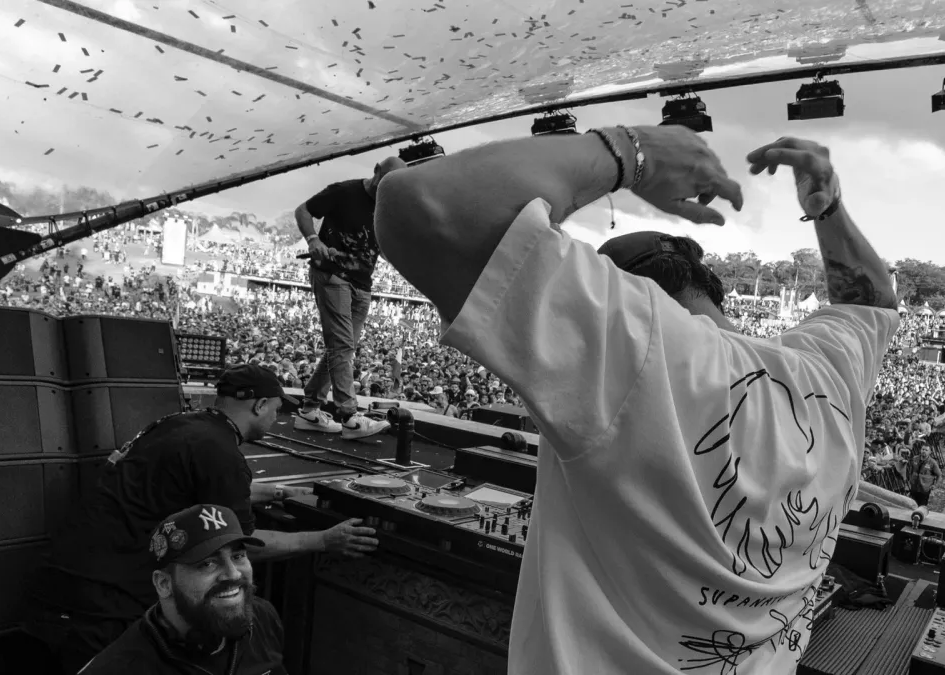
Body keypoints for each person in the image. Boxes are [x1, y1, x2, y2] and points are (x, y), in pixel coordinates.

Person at [375, 128, 898, 674]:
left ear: (629, 293)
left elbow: (423, 205)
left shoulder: (641, 350)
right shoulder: (826, 374)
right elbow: (875, 303)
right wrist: (828, 209)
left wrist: (630, 154)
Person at [27, 364, 378, 675]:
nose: (276, 417)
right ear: (259, 405)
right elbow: (240, 549)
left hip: (66, 585)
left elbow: (192, 486)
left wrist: (277, 492)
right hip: (103, 606)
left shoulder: (180, 425)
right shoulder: (220, 453)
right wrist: (323, 539)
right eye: (276, 408)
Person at [79, 504, 288, 674]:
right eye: (207, 564)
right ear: (164, 584)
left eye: (238, 556)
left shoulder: (262, 616)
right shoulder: (120, 668)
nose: (233, 574)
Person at [292, 157, 407, 439]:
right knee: (342, 346)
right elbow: (303, 210)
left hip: (362, 284)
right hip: (332, 275)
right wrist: (313, 240)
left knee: (341, 348)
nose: (385, 190)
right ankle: (349, 417)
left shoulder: (389, 205)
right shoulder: (344, 191)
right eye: (384, 182)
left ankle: (309, 410)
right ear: (376, 170)